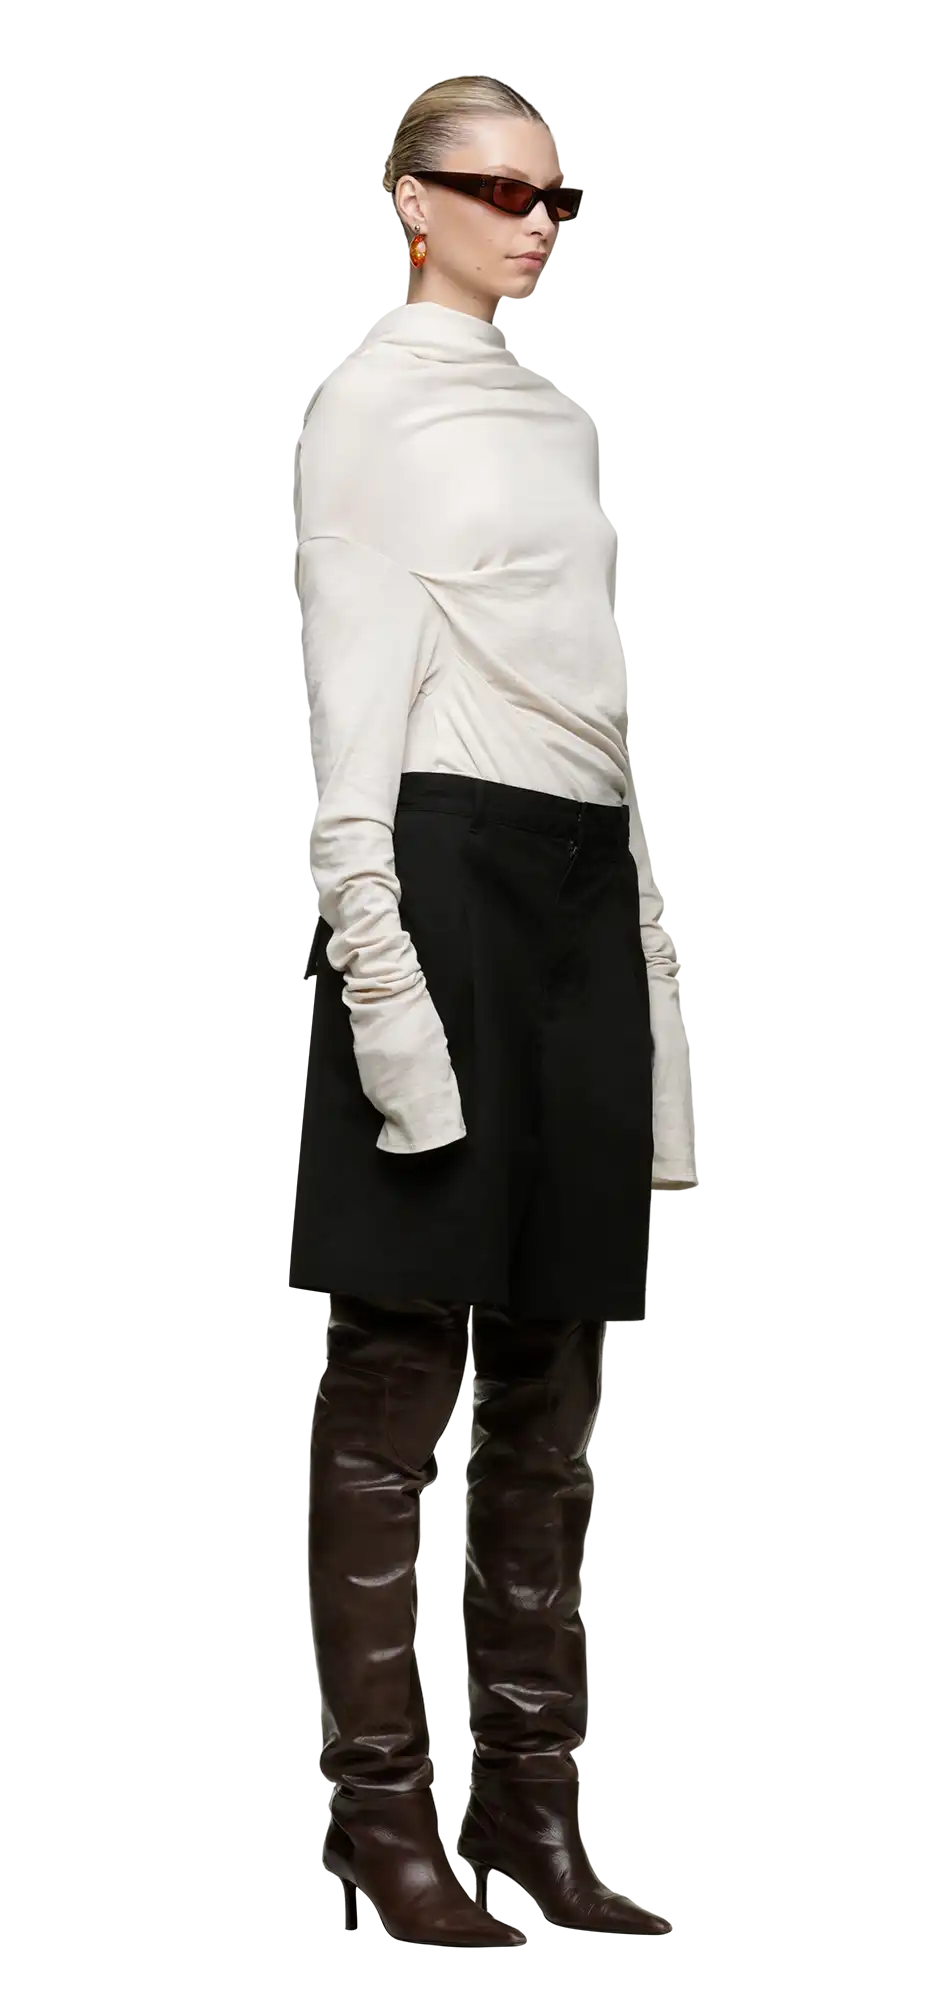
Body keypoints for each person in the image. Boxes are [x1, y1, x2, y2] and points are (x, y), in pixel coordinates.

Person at [290, 74, 700, 1946]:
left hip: (576, 880)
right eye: (495, 188)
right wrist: (377, 972)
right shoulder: (366, 409)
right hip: (441, 866)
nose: (535, 220)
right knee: (399, 1367)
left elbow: (586, 691)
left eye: (555, 196)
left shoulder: (556, 413)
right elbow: (350, 711)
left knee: (549, 1382)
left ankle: (530, 1817)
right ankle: (379, 1823)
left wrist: (644, 942)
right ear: (409, 197)